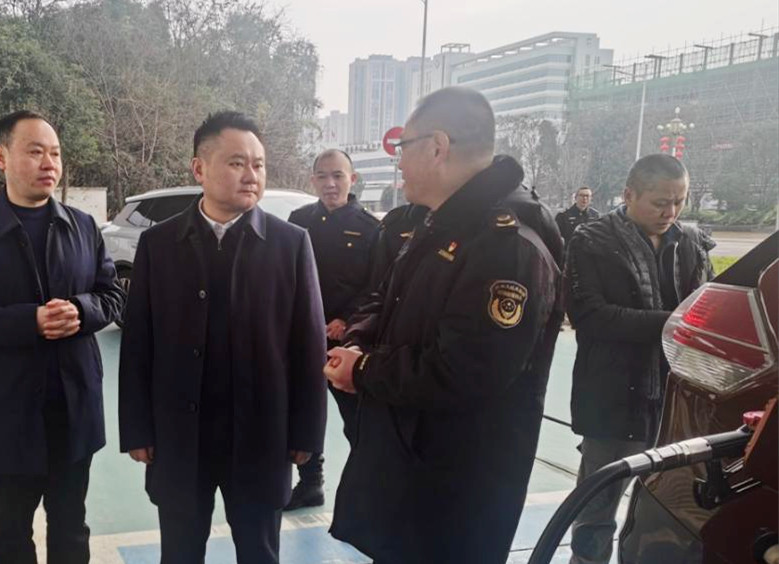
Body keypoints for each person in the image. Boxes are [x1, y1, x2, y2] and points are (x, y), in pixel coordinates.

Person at [323, 87, 564, 563]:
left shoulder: (507, 247)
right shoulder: (441, 225)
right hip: (413, 466)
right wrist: (358, 340)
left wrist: (364, 370)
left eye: (403, 148)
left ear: (437, 146)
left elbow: (466, 370)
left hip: (455, 487)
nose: (399, 162)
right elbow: (389, 299)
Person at [118, 111, 327, 563]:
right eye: (236, 163)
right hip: (179, 436)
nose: (251, 175)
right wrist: (137, 427)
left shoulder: (290, 244)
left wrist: (307, 433)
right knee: (179, 553)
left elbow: (309, 347)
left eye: (259, 164)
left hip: (261, 436)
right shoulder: (159, 245)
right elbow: (138, 344)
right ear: (199, 168)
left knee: (259, 552)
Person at [0, 110, 126, 563]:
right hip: (9, 414)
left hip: (73, 409)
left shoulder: (83, 227)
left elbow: (113, 296)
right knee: (11, 534)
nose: (49, 163)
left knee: (71, 530)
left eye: (55, 154)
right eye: (36, 152)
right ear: (1, 158)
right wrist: (30, 321)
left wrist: (81, 310)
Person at [567, 154, 714, 564]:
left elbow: (708, 305)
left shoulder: (691, 243)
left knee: (663, 515)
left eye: (679, 201)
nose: (671, 213)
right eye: (660, 202)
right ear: (629, 194)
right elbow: (591, 316)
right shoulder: (592, 241)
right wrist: (676, 322)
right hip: (612, 396)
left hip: (675, 400)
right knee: (596, 510)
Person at [284, 149, 379, 510]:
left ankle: (368, 490)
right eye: (322, 176)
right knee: (302, 413)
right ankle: (311, 484)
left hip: (345, 341)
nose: (330, 183)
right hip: (301, 336)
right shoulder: (299, 221)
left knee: (357, 421)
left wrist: (347, 321)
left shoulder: (371, 228)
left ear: (352, 179)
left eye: (338, 175)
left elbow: (377, 286)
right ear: (312, 180)